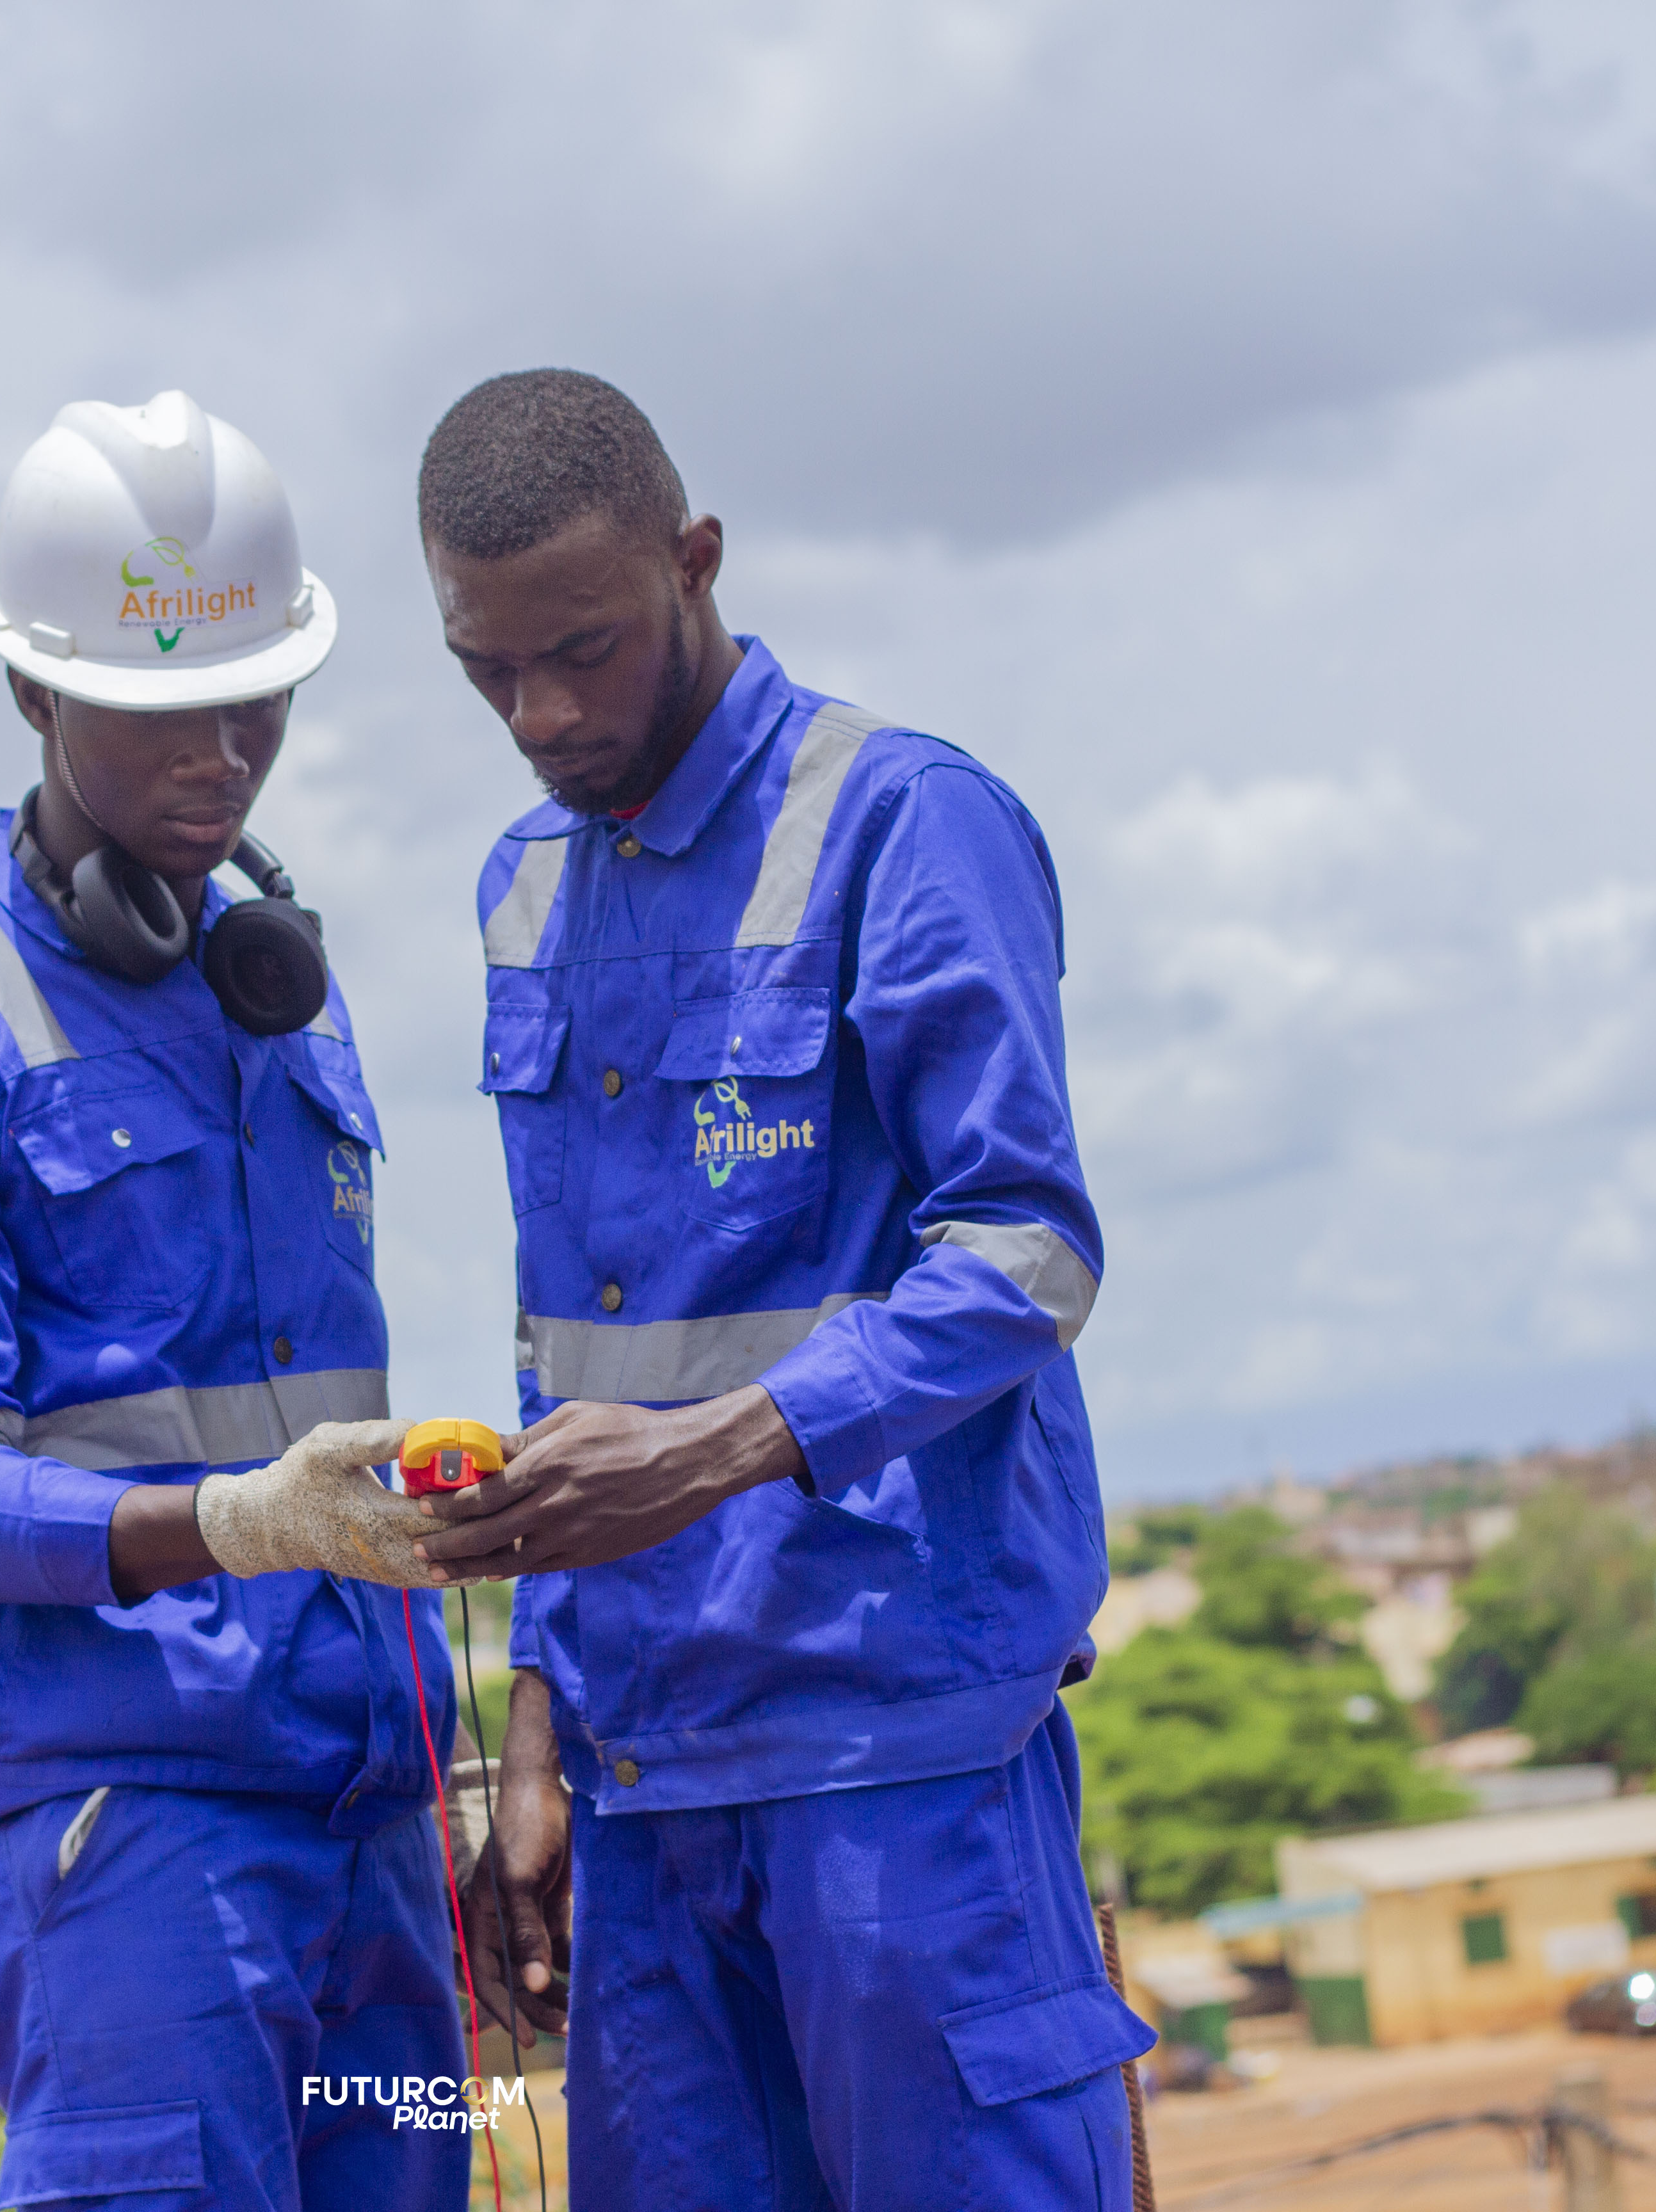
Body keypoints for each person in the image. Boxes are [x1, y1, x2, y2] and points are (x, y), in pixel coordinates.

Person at [410, 369, 1155, 2210]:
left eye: (583, 648)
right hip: (645, 1784)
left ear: (699, 561)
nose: (543, 713)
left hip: (892, 1755)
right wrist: (537, 1739)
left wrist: (712, 1456)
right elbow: (568, 1343)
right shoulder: (522, 889)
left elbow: (1026, 1248)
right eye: (488, 671)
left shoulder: (905, 822)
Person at [0, 390, 470, 2211]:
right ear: (30, 690)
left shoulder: (278, 992)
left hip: (377, 1838)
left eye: (260, 701)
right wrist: (232, 1525)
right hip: (135, 1854)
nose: (223, 753)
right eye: (164, 709)